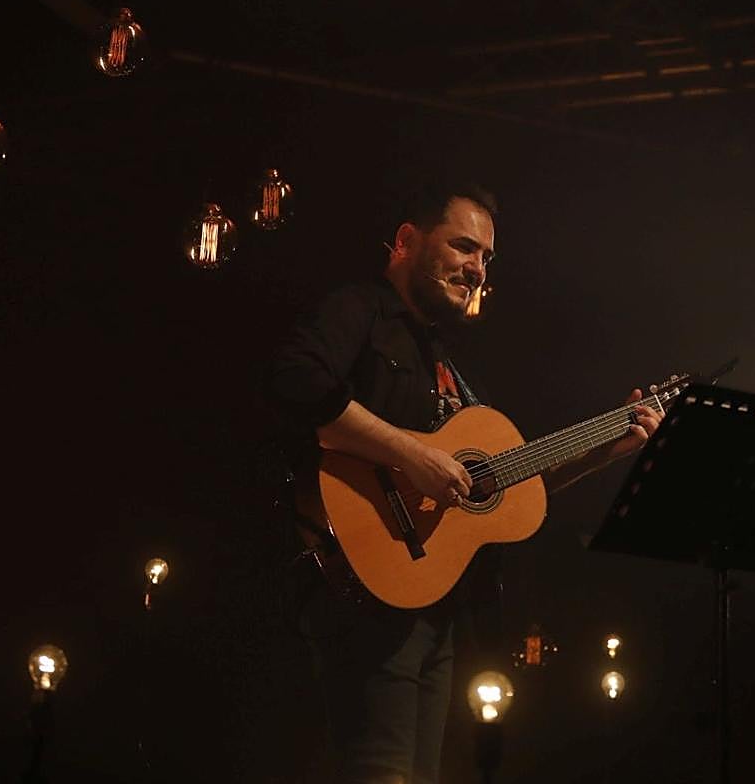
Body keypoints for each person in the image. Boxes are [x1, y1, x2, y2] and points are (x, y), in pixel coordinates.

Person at [269, 180, 662, 784]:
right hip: (361, 587)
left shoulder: (443, 361)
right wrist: (413, 457)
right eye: (463, 247)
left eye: (485, 257)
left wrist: (612, 446)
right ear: (406, 240)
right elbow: (297, 380)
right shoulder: (361, 310)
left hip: (432, 601)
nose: (478, 268)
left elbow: (504, 489)